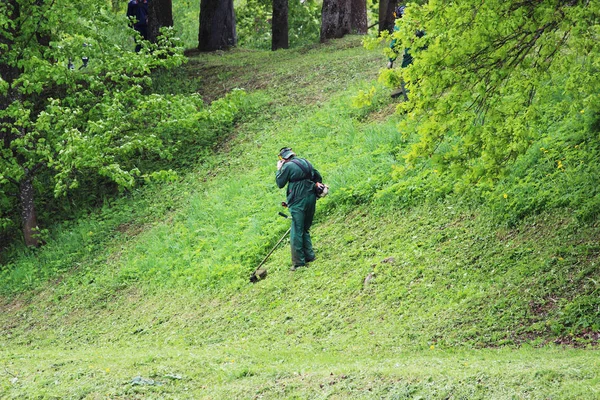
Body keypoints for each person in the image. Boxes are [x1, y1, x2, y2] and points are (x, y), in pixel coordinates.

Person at [276, 147, 323, 271]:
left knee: (297, 230)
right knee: (305, 228)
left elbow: (280, 183)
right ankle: (310, 256)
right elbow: (318, 176)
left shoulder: (287, 166)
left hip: (298, 201)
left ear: (283, 158)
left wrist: (279, 169)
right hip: (311, 197)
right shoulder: (305, 161)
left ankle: (298, 263)